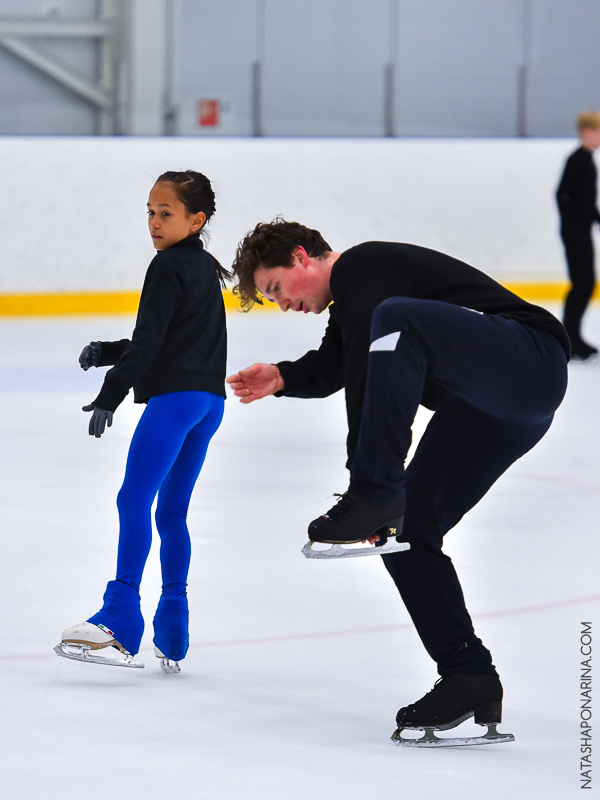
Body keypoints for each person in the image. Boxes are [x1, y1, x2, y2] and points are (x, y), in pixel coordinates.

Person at [226, 218, 569, 740]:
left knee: (396, 320)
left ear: (301, 257)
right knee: (407, 534)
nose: (281, 304)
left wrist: (366, 484)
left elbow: (372, 357)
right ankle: (467, 673)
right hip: (490, 413)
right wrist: (284, 376)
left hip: (530, 358)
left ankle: (375, 490)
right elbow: (343, 363)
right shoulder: (360, 308)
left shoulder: (363, 267)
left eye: (275, 288)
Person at [55, 170, 230, 672]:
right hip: (207, 405)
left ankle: (120, 618)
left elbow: (153, 343)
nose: (153, 222)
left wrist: (111, 394)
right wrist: (110, 352)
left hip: (175, 403)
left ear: (196, 220)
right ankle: (173, 626)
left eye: (165, 213)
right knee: (171, 513)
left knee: (133, 498)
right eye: (150, 212)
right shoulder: (199, 268)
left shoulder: (167, 267)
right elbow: (170, 340)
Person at [556, 110, 600, 361]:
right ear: (586, 132)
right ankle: (569, 335)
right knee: (582, 284)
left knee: (586, 283)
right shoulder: (577, 160)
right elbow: (562, 195)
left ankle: (575, 334)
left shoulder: (587, 160)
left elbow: (586, 201)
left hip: (581, 231)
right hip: (575, 234)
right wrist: (571, 228)